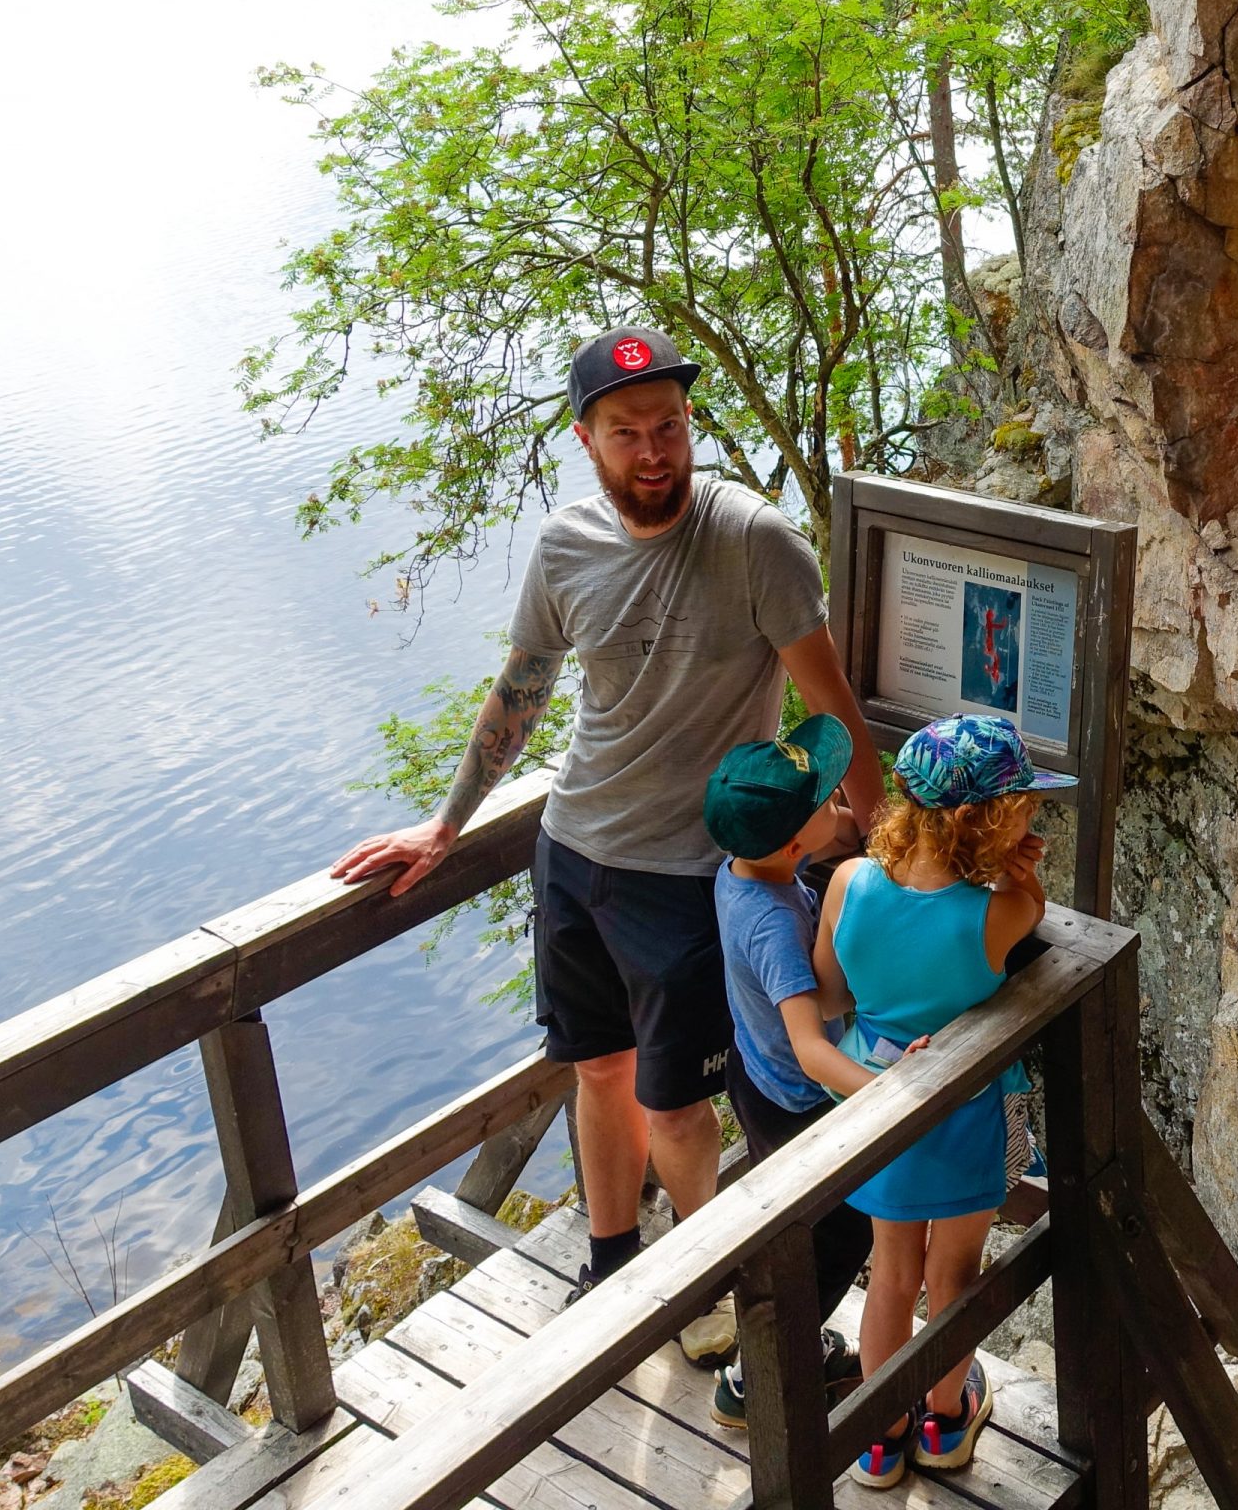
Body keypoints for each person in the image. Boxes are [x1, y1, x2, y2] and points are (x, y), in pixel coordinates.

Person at [329, 324, 885, 1323]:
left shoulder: (755, 541)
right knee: (596, 1064)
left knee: (676, 1098)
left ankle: (723, 1287)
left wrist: (886, 856)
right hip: (573, 851)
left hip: (685, 871)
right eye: (627, 431)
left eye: (668, 425)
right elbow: (523, 689)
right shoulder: (566, 546)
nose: (654, 449)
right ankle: (615, 1259)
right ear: (587, 438)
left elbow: (833, 711)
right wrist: (447, 825)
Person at [815, 714, 1065, 1489]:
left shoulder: (849, 883)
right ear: (976, 819)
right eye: (1022, 805)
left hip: (880, 1111)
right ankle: (946, 1417)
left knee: (891, 1272)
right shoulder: (995, 914)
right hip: (967, 1116)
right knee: (953, 1270)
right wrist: (1019, 871)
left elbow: (829, 991)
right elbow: (1036, 911)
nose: (1031, 814)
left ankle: (880, 1436)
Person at [699, 713, 879, 1428]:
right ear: (797, 840)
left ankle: (779, 1345)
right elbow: (809, 1044)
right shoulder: (773, 921)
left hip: (755, 1076)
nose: (845, 808)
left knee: (800, 1232)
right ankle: (752, 1380)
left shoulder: (740, 872)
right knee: (841, 1237)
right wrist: (895, 1097)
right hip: (799, 1099)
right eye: (831, 803)